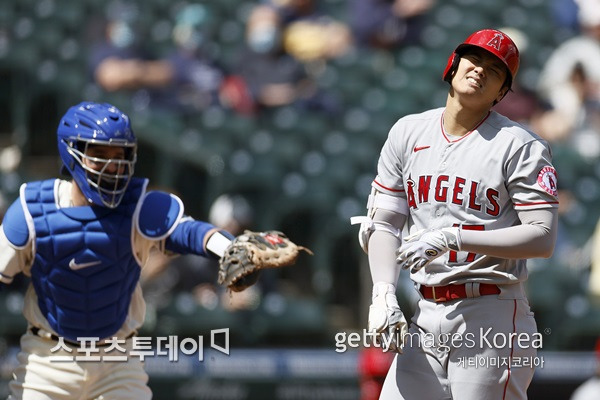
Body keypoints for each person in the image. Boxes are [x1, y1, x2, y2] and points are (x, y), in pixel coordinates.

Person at [352, 29, 559, 399]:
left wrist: (455, 236)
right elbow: (383, 221)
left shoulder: (520, 145)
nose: (480, 69)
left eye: (495, 70)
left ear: (501, 93)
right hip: (425, 313)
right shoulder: (407, 132)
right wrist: (382, 291)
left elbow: (542, 237)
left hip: (491, 313)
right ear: (453, 65)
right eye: (474, 59)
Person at [0, 102, 238, 399]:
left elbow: (188, 232)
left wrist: (231, 247)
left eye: (120, 156)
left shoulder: (139, 207)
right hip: (49, 359)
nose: (113, 167)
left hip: (117, 359)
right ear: (72, 152)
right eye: (100, 154)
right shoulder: (31, 212)